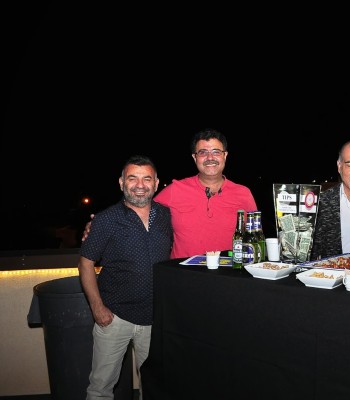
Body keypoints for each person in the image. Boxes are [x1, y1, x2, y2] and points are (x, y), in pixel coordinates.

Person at [78, 155, 173, 400]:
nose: (140, 185)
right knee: (100, 388)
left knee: (153, 388)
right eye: (132, 178)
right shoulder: (106, 220)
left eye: (147, 179)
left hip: (154, 320)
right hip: (114, 317)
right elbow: (85, 263)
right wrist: (97, 307)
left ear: (156, 183)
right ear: (121, 183)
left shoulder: (166, 216)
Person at [83, 128, 257, 259]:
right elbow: (139, 204)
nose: (210, 158)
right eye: (203, 152)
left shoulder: (243, 194)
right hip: (182, 278)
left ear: (225, 156)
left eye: (216, 152)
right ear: (194, 158)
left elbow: (255, 237)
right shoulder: (176, 190)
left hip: (229, 278)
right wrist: (101, 222)